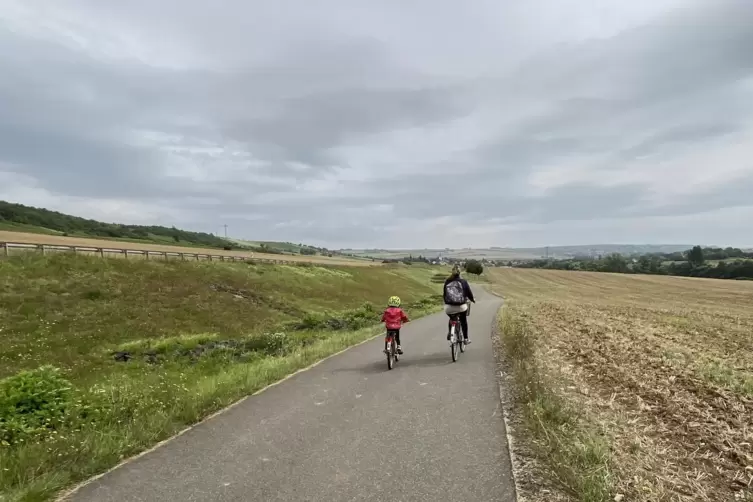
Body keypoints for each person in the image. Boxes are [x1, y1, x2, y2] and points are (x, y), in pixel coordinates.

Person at [443, 264, 475, 344]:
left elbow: (444, 294)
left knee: (451, 318)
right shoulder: (463, 282)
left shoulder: (447, 281)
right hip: (461, 306)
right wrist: (472, 299)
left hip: (449, 307)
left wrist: (447, 302)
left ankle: (450, 332)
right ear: (459, 273)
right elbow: (469, 293)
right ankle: (466, 339)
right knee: (463, 320)